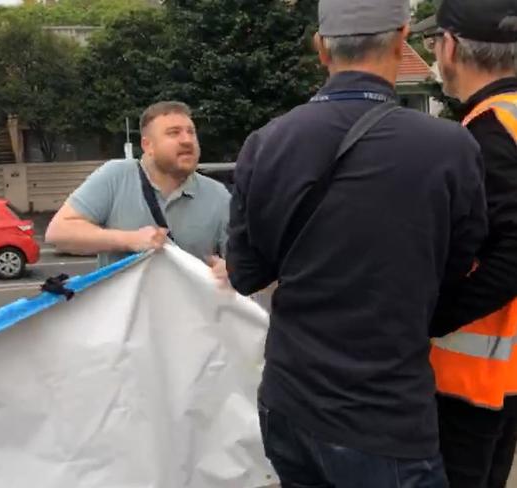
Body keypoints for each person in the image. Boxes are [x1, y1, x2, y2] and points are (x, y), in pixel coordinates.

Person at [226, 0, 488, 486]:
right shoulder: (450, 148)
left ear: (321, 49)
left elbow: (245, 275)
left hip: (289, 403)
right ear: (401, 37)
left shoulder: (265, 144)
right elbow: (458, 264)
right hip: (386, 417)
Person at [415, 1, 517, 486]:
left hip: (473, 379)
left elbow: (512, 253)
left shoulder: (488, 131)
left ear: (449, 46)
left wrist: (428, 319)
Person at [46, 101, 230, 281]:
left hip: (190, 311)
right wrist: (130, 240)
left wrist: (232, 271)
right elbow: (59, 232)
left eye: (191, 132)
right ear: (147, 145)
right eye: (174, 133)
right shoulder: (116, 176)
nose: (187, 140)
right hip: (124, 311)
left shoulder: (218, 196)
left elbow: (242, 261)